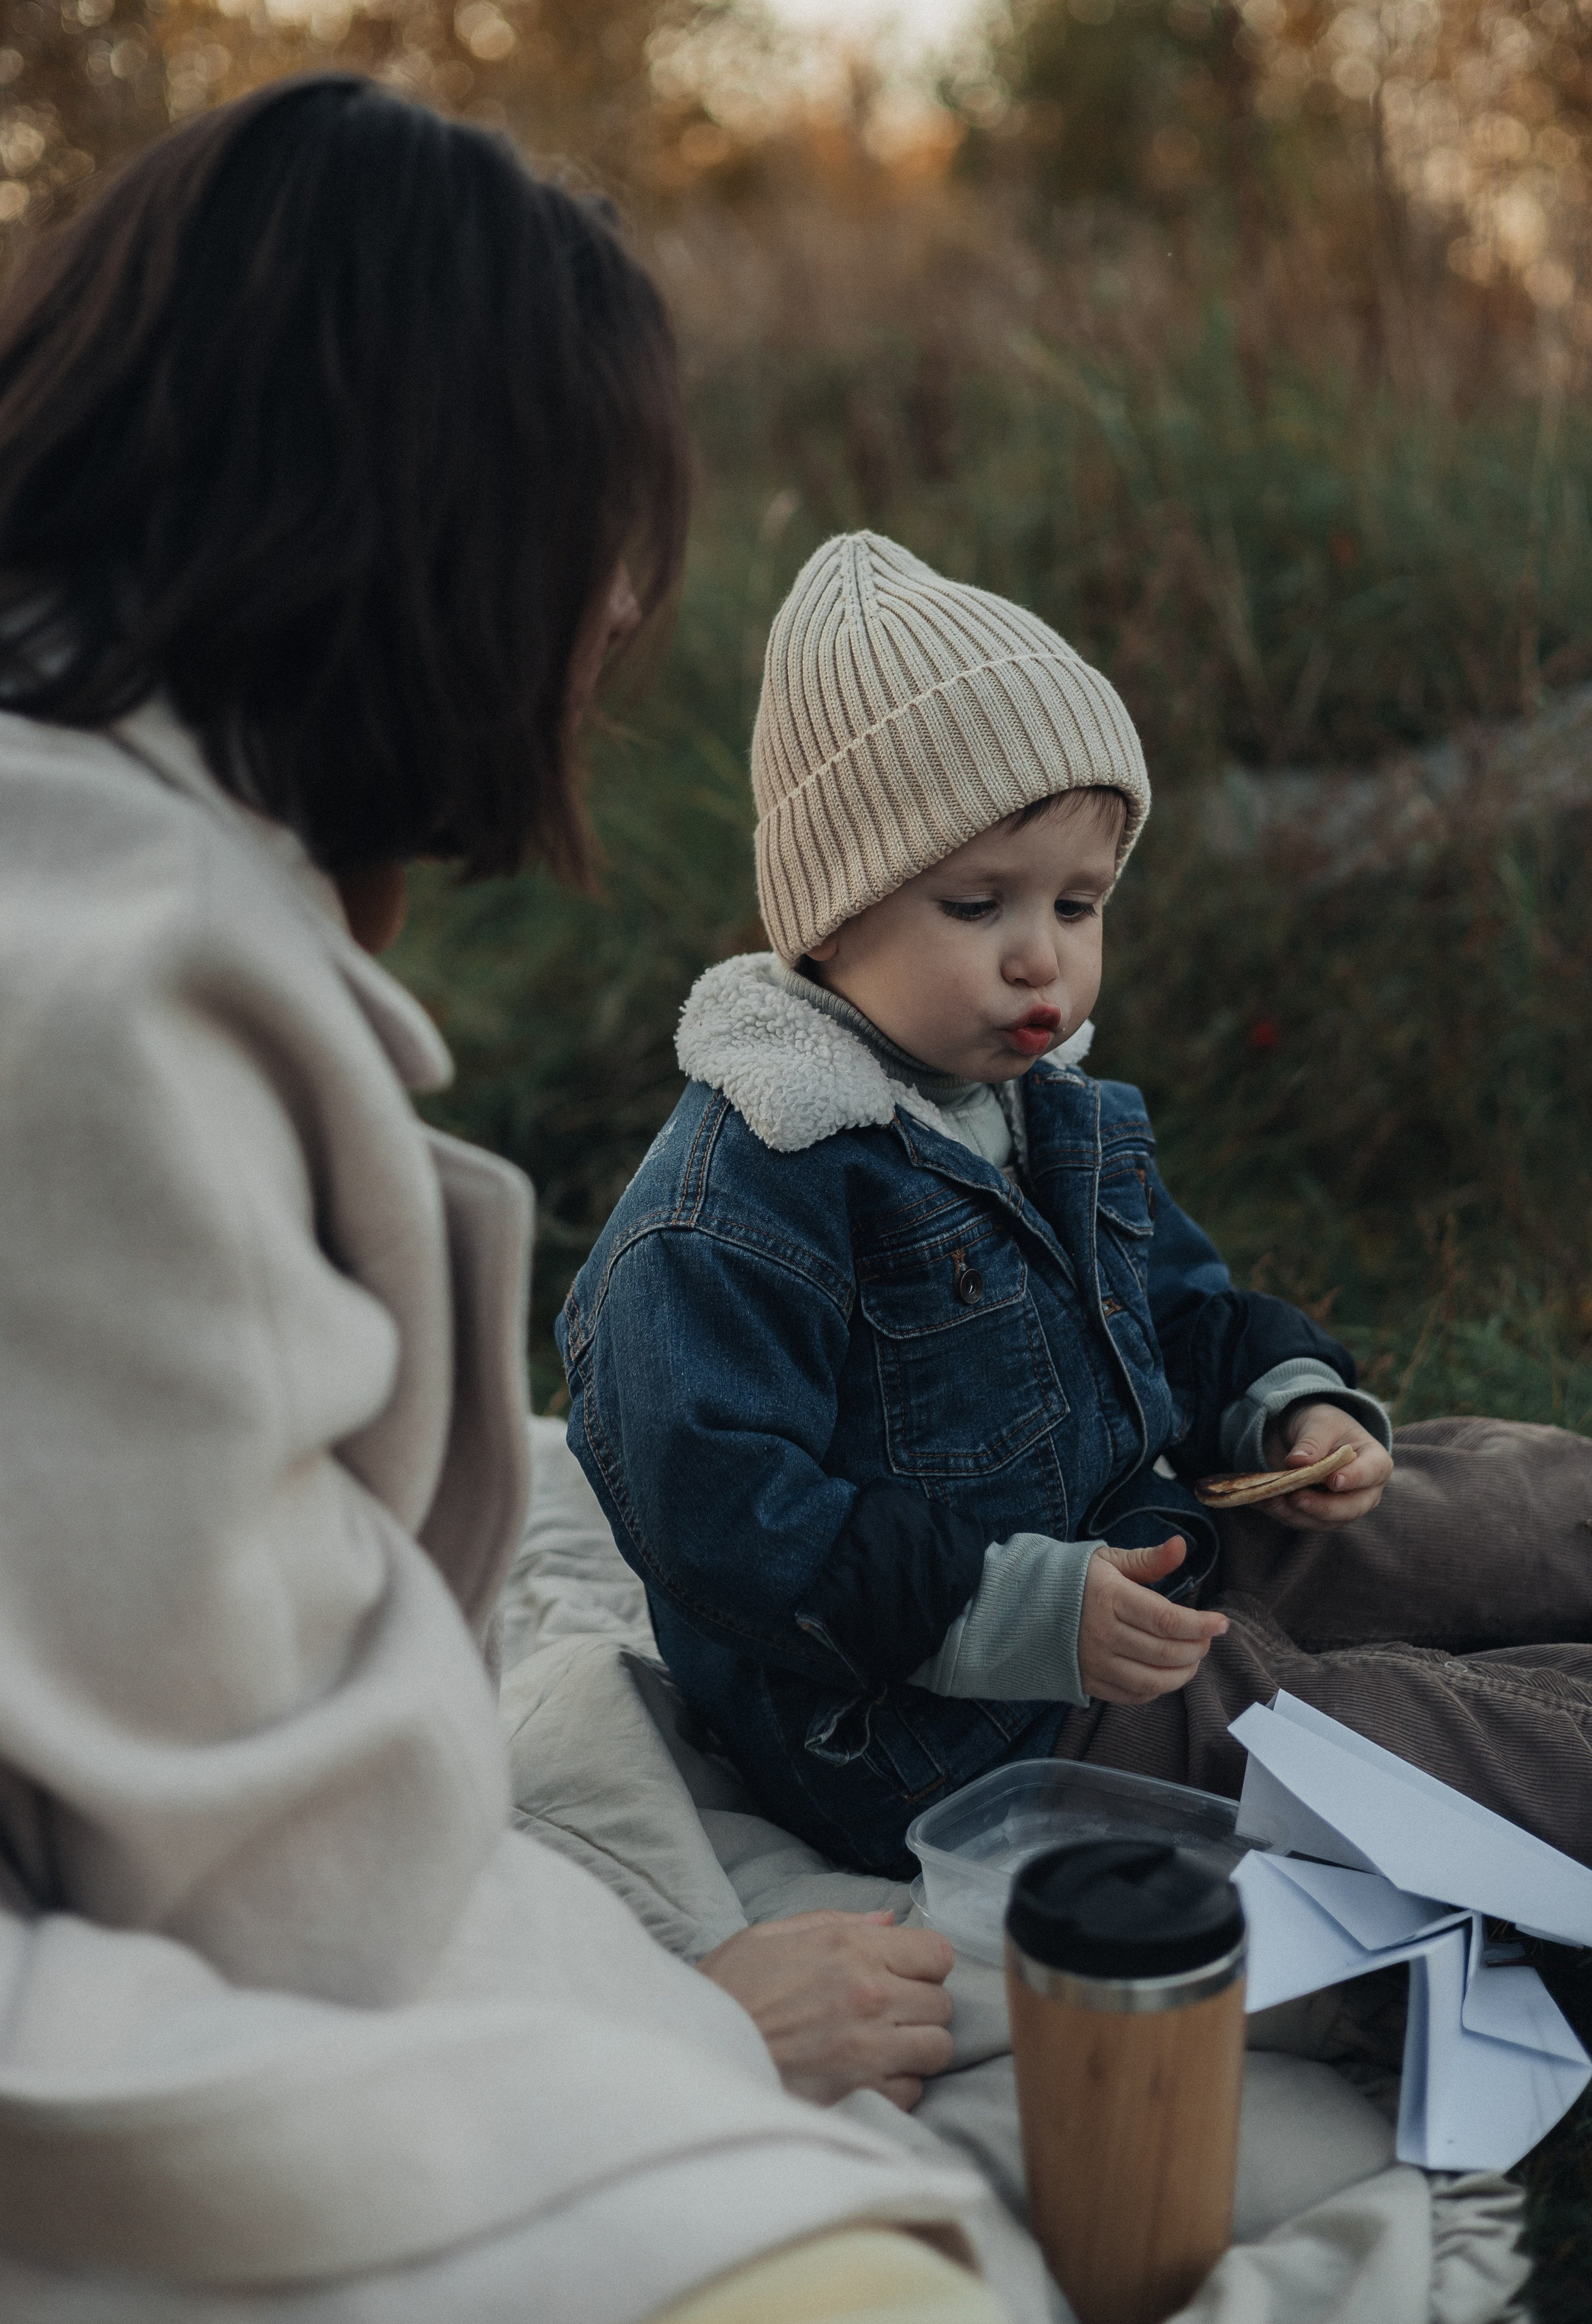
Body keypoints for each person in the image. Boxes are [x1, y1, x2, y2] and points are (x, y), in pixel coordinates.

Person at [0, 84, 1010, 2324]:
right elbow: (274, 1887)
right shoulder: (101, 1002)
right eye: (596, 537)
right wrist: (683, 2029)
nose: (628, 608)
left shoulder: (81, 847)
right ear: (427, 530)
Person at [560, 530, 1592, 1917]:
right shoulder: (738, 1198)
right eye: (974, 904)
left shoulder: (1038, 1105)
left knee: (1487, 1507)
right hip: (951, 1718)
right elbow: (723, 1523)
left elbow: (1177, 1308)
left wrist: (1280, 1405)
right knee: (1400, 1734)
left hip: (1142, 1531)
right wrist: (1019, 1612)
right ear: (828, 915)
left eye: (1076, 903)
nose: (1037, 956)